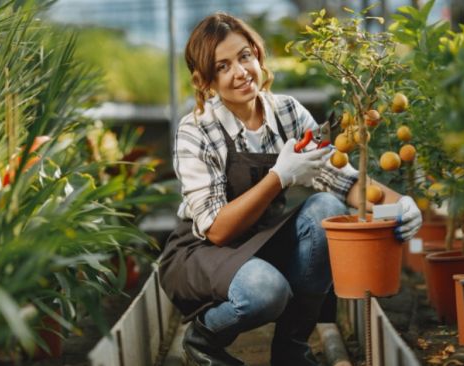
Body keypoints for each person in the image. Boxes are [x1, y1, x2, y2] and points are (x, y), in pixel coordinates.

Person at [159, 12, 422, 366]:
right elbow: (218, 230)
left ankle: (291, 349)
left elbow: (341, 178)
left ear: (257, 54)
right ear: (205, 80)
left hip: (261, 239)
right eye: (222, 66)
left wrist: (400, 205)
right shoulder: (197, 130)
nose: (239, 72)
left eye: (244, 57)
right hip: (202, 250)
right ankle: (203, 339)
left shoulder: (287, 112)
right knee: (266, 290)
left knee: (326, 208)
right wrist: (279, 177)